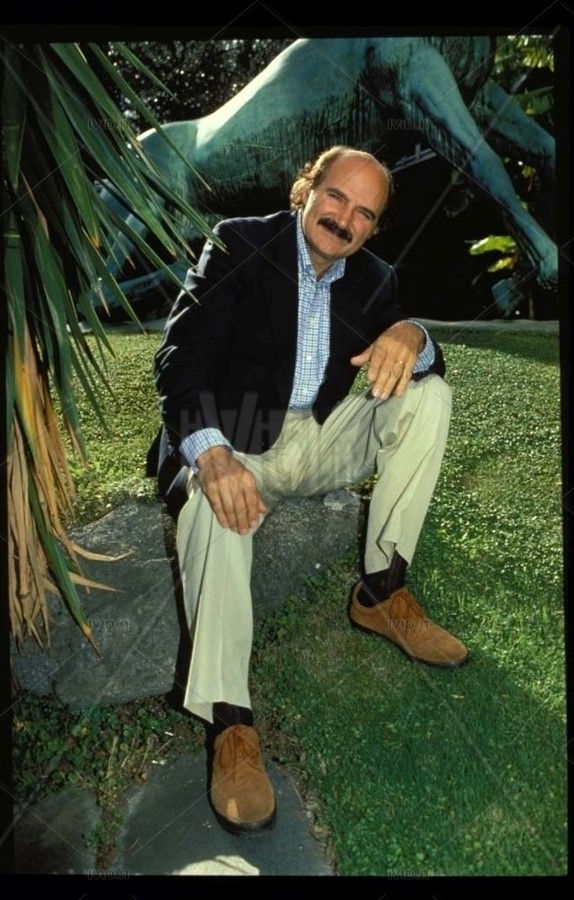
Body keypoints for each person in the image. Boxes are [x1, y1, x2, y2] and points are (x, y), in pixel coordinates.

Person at [150, 146, 468, 835]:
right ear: (306, 190)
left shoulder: (375, 277)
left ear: (374, 227)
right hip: (236, 438)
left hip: (315, 440)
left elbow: (419, 347)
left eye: (365, 213)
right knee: (216, 505)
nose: (345, 219)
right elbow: (179, 355)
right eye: (336, 197)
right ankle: (231, 725)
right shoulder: (239, 242)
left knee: (430, 397)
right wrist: (210, 455)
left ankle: (381, 594)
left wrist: (411, 334)